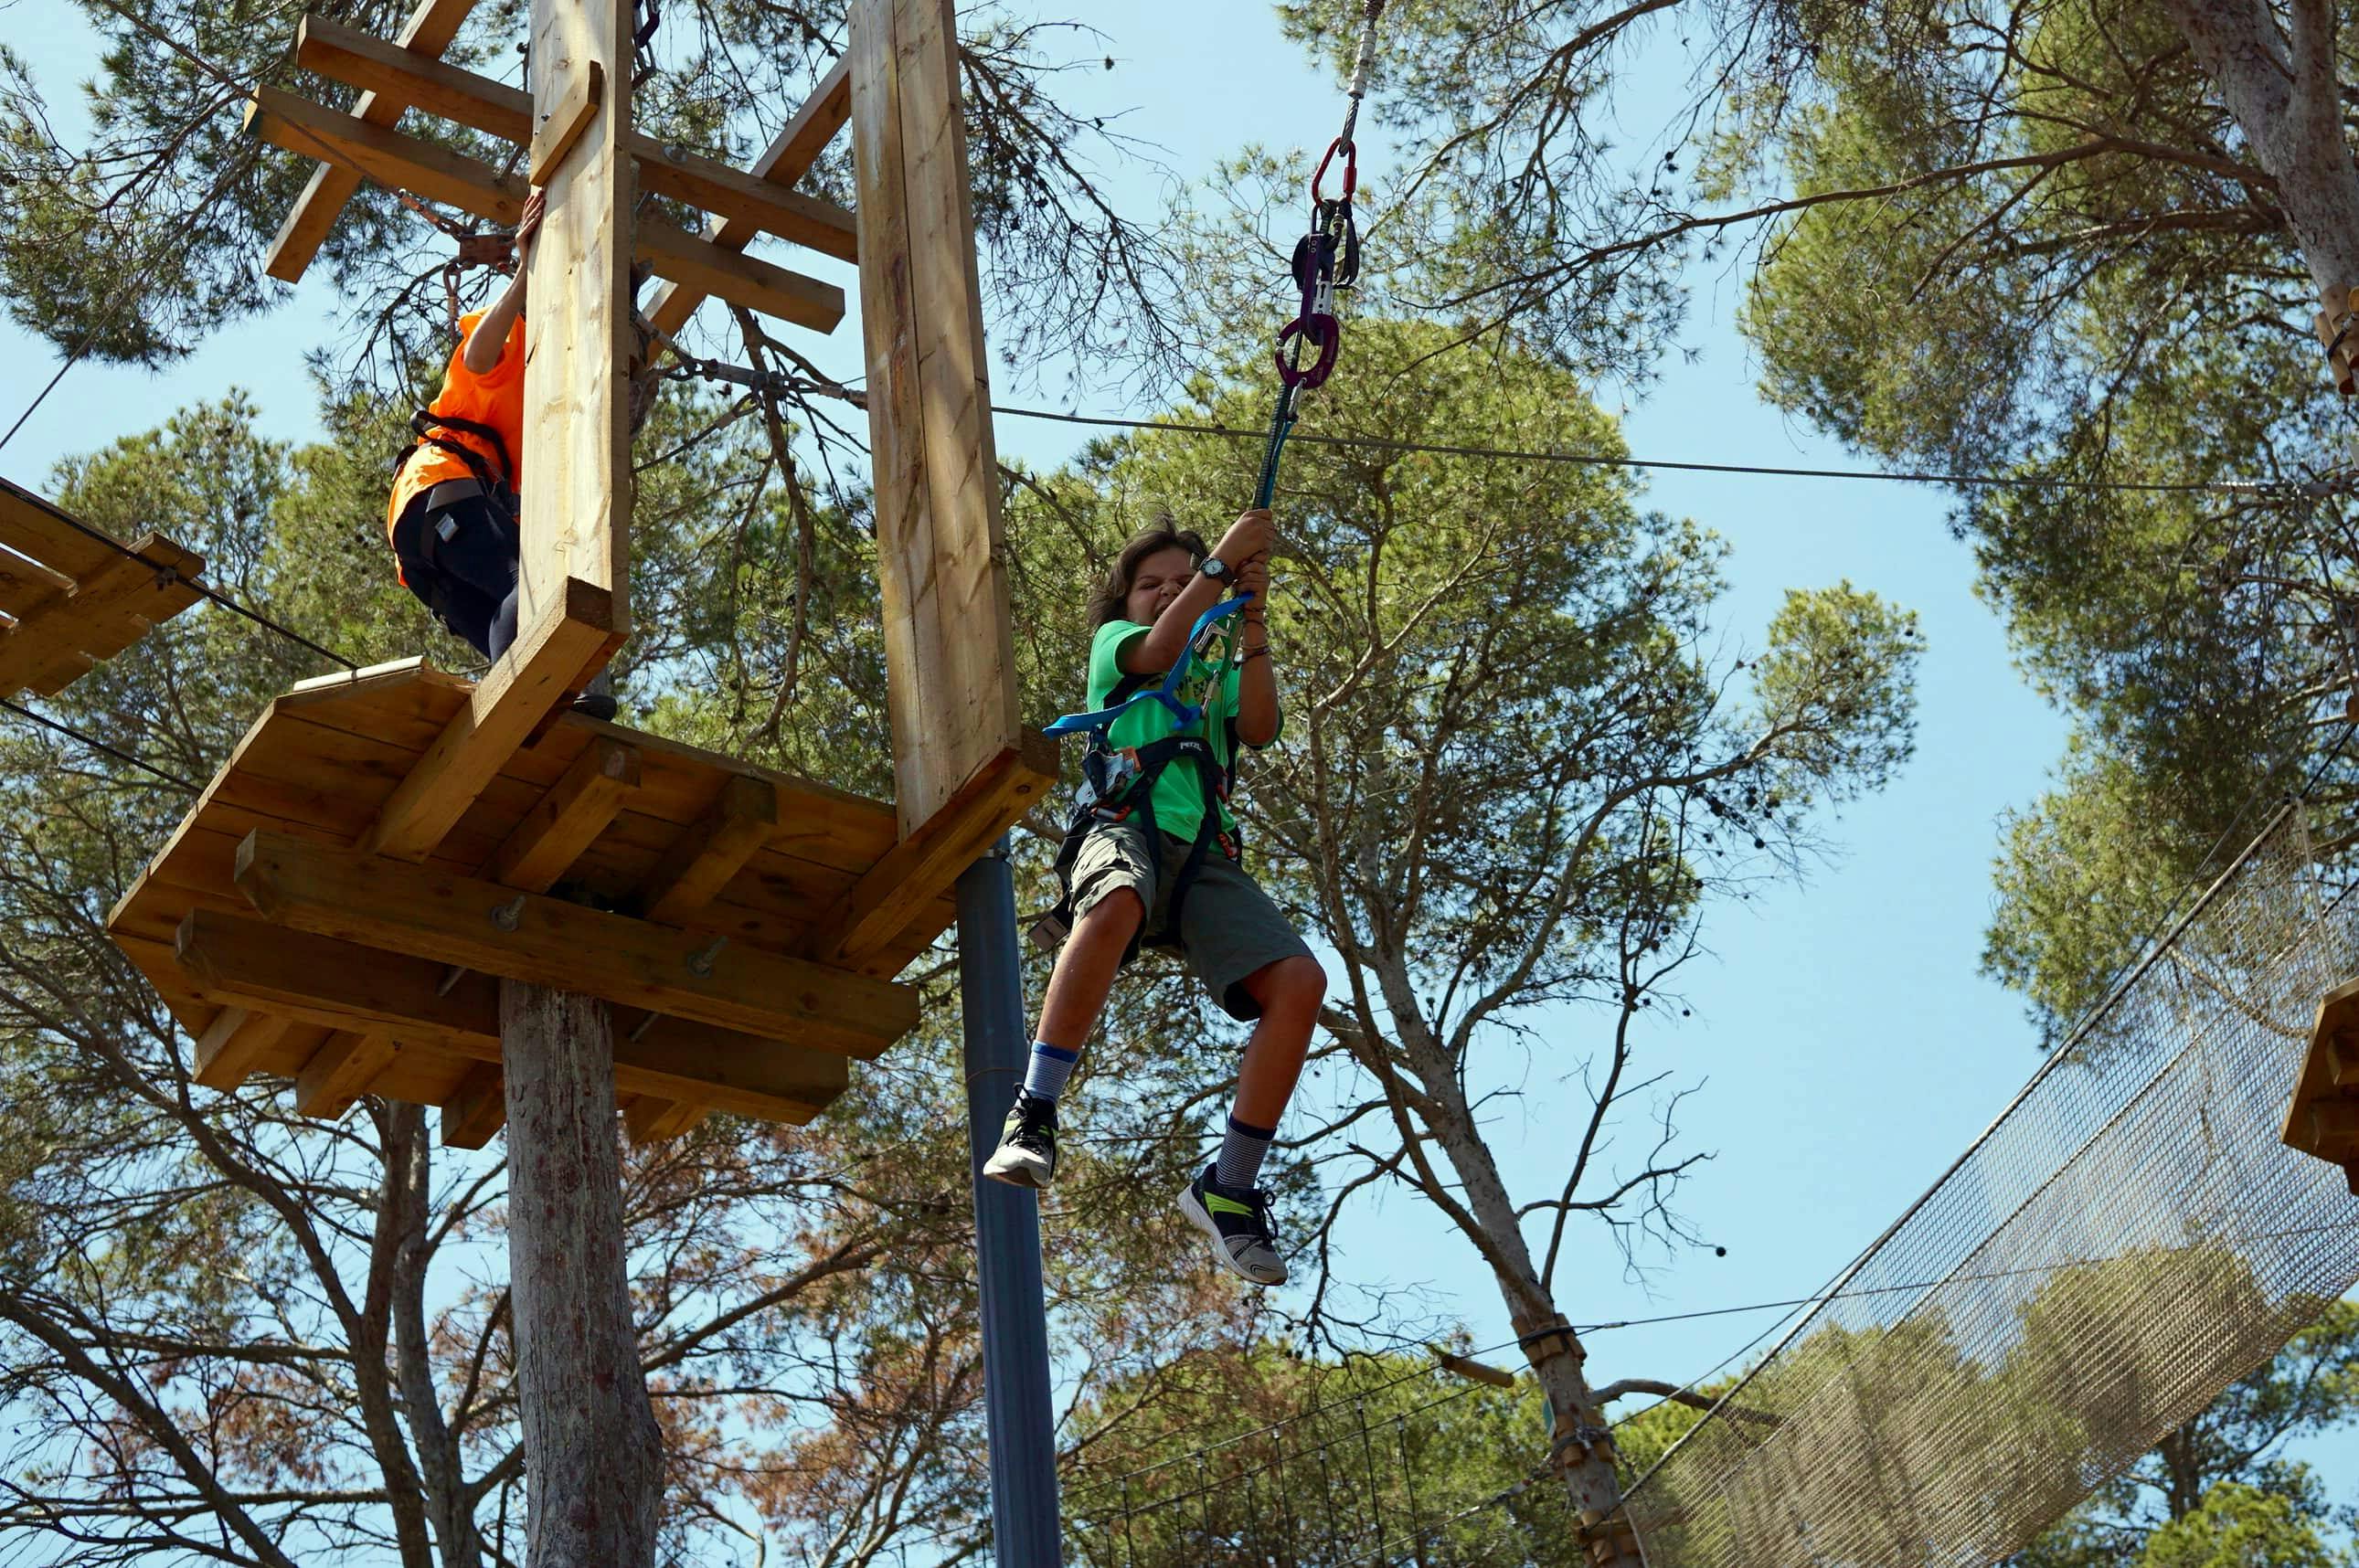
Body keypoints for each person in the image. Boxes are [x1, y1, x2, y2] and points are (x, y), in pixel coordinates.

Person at [983, 509, 1328, 1287]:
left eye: (1182, 580)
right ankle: (1033, 1108)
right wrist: (1216, 569)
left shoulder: (1215, 668)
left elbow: (1261, 726)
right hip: (1123, 826)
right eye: (1151, 585)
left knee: (1300, 983)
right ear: (1125, 602)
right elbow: (1161, 647)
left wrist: (1251, 622)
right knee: (1114, 904)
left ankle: (1230, 1184)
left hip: (1205, 853)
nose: (1168, 592)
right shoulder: (1117, 648)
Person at [385, 191, 616, 719]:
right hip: (438, 487)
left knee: (510, 626)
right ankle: (548, 701)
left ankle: (533, 716)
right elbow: (476, 353)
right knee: (539, 587)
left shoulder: (543, 401)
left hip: (423, 550)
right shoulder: (514, 339)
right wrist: (525, 277)